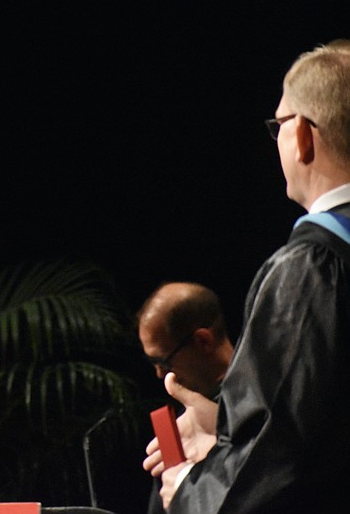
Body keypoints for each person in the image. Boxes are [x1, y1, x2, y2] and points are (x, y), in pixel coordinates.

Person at [143, 39, 350, 512]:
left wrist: (192, 492)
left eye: (278, 123)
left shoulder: (309, 272)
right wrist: (226, 430)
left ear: (301, 135)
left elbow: (279, 461)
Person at [136, 281, 233, 514]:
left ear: (203, 341)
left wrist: (223, 440)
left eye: (163, 361)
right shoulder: (176, 431)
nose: (160, 374)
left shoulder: (270, 398)